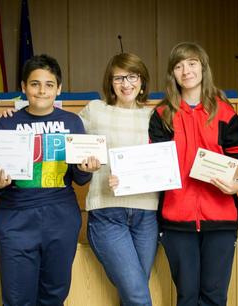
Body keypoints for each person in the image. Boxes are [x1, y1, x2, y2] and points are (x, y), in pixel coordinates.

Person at [0, 54, 99, 306]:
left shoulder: (72, 122)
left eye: (49, 84)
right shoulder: (7, 122)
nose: (41, 90)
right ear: (23, 88)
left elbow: (79, 179)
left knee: (54, 295)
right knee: (16, 298)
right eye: (34, 84)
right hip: (16, 220)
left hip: (61, 219)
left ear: (59, 89)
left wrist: (87, 169)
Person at [148, 42, 238, 306]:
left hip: (221, 218)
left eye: (192, 63)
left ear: (203, 67)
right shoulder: (161, 115)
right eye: (178, 65)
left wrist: (237, 183)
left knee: (214, 297)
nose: (186, 70)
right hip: (177, 219)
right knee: (187, 296)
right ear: (172, 74)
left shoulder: (225, 112)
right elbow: (154, 164)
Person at [78, 53, 159, 306]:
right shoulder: (95, 110)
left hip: (147, 215)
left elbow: (164, 162)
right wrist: (83, 162)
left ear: (142, 81)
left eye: (132, 76)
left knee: (133, 292)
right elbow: (70, 140)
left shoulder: (155, 116)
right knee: (137, 295)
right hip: (107, 213)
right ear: (110, 82)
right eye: (119, 78)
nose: (126, 84)